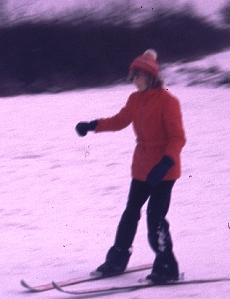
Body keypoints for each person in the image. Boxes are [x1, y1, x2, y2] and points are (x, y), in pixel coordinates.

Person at [75, 49, 186, 284]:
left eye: (137, 76)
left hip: (164, 170)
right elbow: (119, 121)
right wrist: (92, 125)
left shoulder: (168, 101)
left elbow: (178, 138)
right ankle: (116, 260)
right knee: (130, 213)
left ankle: (167, 266)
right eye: (132, 77)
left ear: (149, 76)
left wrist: (166, 162)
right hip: (142, 167)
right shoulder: (135, 100)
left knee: (155, 217)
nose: (133, 81)